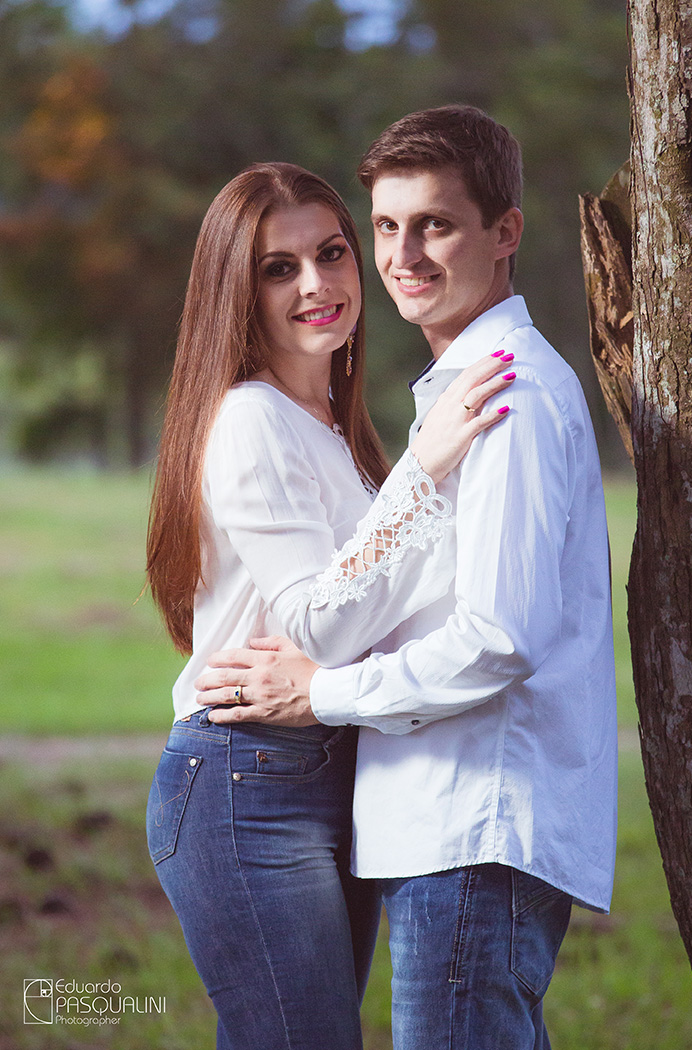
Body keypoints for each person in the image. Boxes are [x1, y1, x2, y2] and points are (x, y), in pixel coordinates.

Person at [196, 107, 619, 1050]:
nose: (404, 255)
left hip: (471, 821)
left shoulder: (500, 392)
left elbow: (498, 638)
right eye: (387, 226)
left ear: (506, 232)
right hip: (445, 824)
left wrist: (324, 694)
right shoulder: (453, 398)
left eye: (436, 224)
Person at [145, 160, 516, 1050]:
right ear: (239, 290)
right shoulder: (248, 419)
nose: (317, 283)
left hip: (325, 771)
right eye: (279, 267)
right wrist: (426, 474)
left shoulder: (335, 433)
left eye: (332, 252)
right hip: (245, 780)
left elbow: (379, 606)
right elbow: (320, 623)